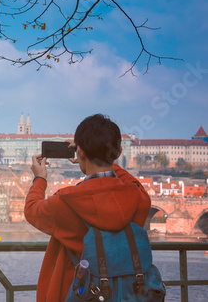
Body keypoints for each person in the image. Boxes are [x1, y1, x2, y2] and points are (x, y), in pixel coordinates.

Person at [24, 114, 151, 301]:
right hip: (127, 293)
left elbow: (32, 209)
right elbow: (130, 181)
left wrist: (39, 178)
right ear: (118, 152)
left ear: (79, 152)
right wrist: (98, 157)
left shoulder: (66, 201)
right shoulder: (138, 197)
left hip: (77, 292)